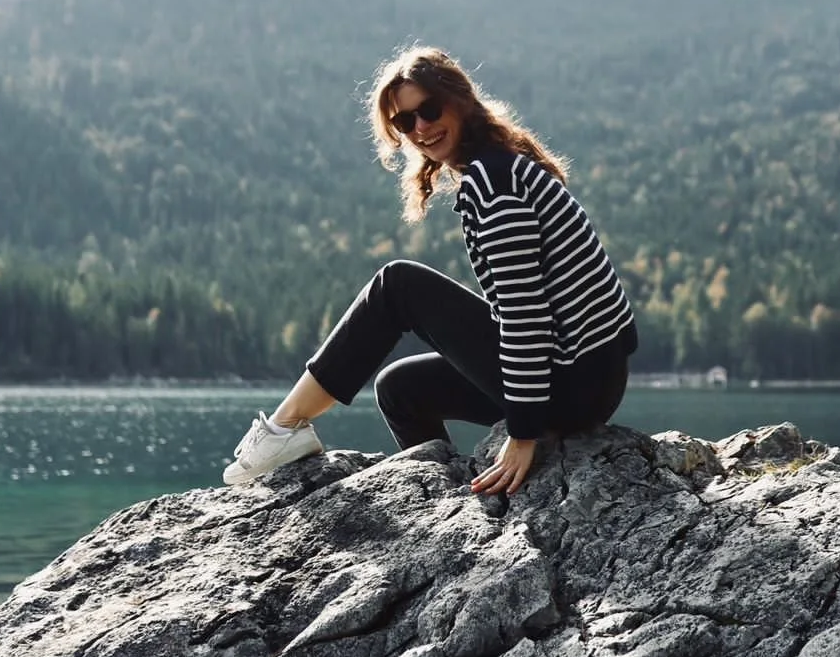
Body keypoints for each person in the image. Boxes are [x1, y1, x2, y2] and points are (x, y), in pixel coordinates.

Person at [223, 46, 637, 497]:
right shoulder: (498, 166)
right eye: (405, 122)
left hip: (573, 383)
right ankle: (442, 501)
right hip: (583, 379)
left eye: (430, 109)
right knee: (400, 388)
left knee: (398, 286)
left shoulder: (494, 183)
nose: (421, 128)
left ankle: (284, 429)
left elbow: (524, 315)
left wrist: (523, 434)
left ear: (460, 101)